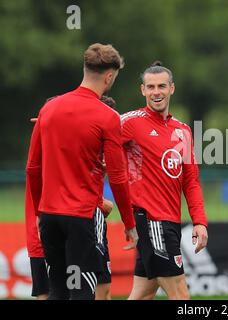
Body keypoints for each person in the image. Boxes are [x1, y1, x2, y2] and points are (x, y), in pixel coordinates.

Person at [25, 43, 138, 300]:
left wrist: (40, 210)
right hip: (80, 218)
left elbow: (32, 168)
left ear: (85, 69)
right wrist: (129, 223)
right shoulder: (107, 117)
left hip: (50, 216)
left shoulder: (49, 109)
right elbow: (118, 177)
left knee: (57, 290)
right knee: (82, 291)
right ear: (109, 77)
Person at [121, 61, 208, 300]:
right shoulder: (130, 122)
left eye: (161, 86)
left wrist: (199, 221)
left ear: (172, 89)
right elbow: (93, 134)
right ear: (142, 90)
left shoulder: (183, 131)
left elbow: (191, 182)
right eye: (150, 87)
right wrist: (56, 124)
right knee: (180, 293)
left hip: (169, 221)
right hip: (151, 221)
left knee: (143, 292)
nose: (156, 92)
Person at [26, 95, 115, 300]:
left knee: (73, 291)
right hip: (65, 228)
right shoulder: (54, 152)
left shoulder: (76, 146)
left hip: (54, 227)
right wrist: (101, 204)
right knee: (73, 292)